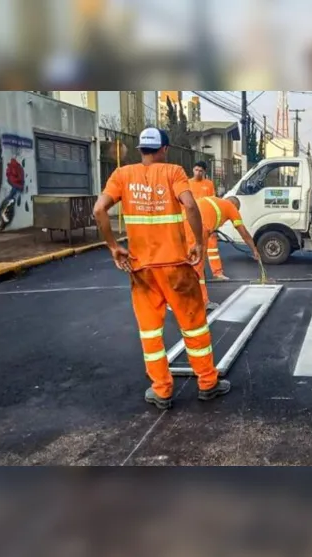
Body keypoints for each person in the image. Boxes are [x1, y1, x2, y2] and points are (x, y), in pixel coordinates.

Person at [93, 127, 231, 410]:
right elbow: (190, 206)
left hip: (141, 269)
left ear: (140, 150)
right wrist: (200, 245)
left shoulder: (122, 175)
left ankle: (162, 390)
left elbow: (98, 210)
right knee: (193, 326)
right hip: (176, 267)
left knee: (150, 331)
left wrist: (113, 247)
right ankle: (207, 383)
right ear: (164, 149)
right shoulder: (173, 172)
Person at [185, 195, 260, 311]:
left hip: (183, 221)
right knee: (197, 268)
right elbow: (243, 232)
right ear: (235, 205)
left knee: (183, 262)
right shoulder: (231, 207)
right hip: (198, 228)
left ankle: (175, 298)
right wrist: (254, 249)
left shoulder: (213, 200)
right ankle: (202, 302)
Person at [189, 161, 228, 280]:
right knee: (192, 246)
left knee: (212, 246)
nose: (198, 173)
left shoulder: (209, 184)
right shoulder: (187, 183)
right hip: (192, 219)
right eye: (196, 170)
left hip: (207, 220)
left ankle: (218, 273)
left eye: (201, 171)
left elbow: (214, 202)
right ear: (193, 170)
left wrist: (215, 225)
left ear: (204, 172)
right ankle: (194, 272)